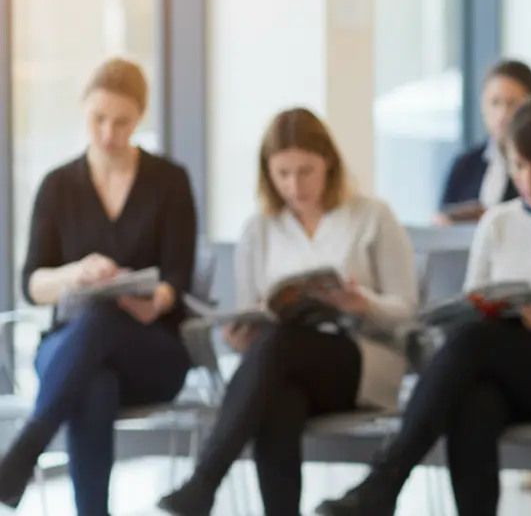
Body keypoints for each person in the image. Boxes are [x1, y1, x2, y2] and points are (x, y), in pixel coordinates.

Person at [314, 98, 531, 516]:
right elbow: (475, 298)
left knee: (474, 343)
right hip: (500, 366)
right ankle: (386, 486)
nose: (528, 180)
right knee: (474, 402)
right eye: (518, 165)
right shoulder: (499, 221)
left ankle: (386, 479)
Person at [158, 108, 419, 516]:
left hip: (364, 362)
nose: (294, 186)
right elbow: (256, 314)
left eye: (305, 171)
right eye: (282, 174)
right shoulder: (259, 229)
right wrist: (240, 337)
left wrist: (362, 302)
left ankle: (205, 480)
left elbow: (407, 310)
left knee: (281, 347)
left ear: (328, 163)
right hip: (287, 366)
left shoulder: (372, 216)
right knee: (278, 401)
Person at [0, 58, 197, 514]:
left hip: (151, 352)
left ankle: (25, 449)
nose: (109, 133)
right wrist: (75, 273)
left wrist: (156, 300)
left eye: (122, 122)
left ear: (140, 118)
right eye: (98, 119)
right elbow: (32, 284)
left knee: (107, 316)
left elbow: (179, 276)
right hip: (70, 349)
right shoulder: (57, 186)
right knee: (95, 381)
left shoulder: (169, 181)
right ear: (82, 110)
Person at [434, 60, 531, 225]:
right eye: (495, 103)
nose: (503, 114)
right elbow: (441, 220)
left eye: (513, 104)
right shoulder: (465, 164)